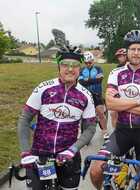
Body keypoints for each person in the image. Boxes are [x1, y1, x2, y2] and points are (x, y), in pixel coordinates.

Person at [89, 30, 140, 190]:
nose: (136, 53)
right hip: (121, 132)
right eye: (133, 49)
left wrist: (122, 103)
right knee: (95, 171)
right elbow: (110, 104)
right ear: (127, 51)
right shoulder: (116, 73)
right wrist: (138, 101)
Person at [17, 47, 97, 190]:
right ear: (59, 66)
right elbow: (25, 119)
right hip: (40, 154)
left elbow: (90, 128)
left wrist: (73, 149)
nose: (70, 69)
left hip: (68, 155)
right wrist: (25, 151)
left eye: (75, 65)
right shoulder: (43, 88)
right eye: (65, 64)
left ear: (80, 68)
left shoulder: (86, 95)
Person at [78, 51, 108, 139]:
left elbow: (100, 79)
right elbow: (80, 82)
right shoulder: (82, 70)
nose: (88, 64)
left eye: (90, 62)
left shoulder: (98, 68)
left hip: (96, 94)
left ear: (93, 61)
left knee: (100, 113)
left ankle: (105, 132)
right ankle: (82, 132)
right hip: (85, 95)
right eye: (86, 63)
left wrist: (87, 80)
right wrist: (93, 79)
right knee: (82, 115)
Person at [110, 48, 128, 129]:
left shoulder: (131, 66)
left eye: (121, 56)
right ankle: (116, 131)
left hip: (130, 94)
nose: (119, 58)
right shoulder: (117, 68)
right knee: (113, 113)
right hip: (119, 93)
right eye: (118, 57)